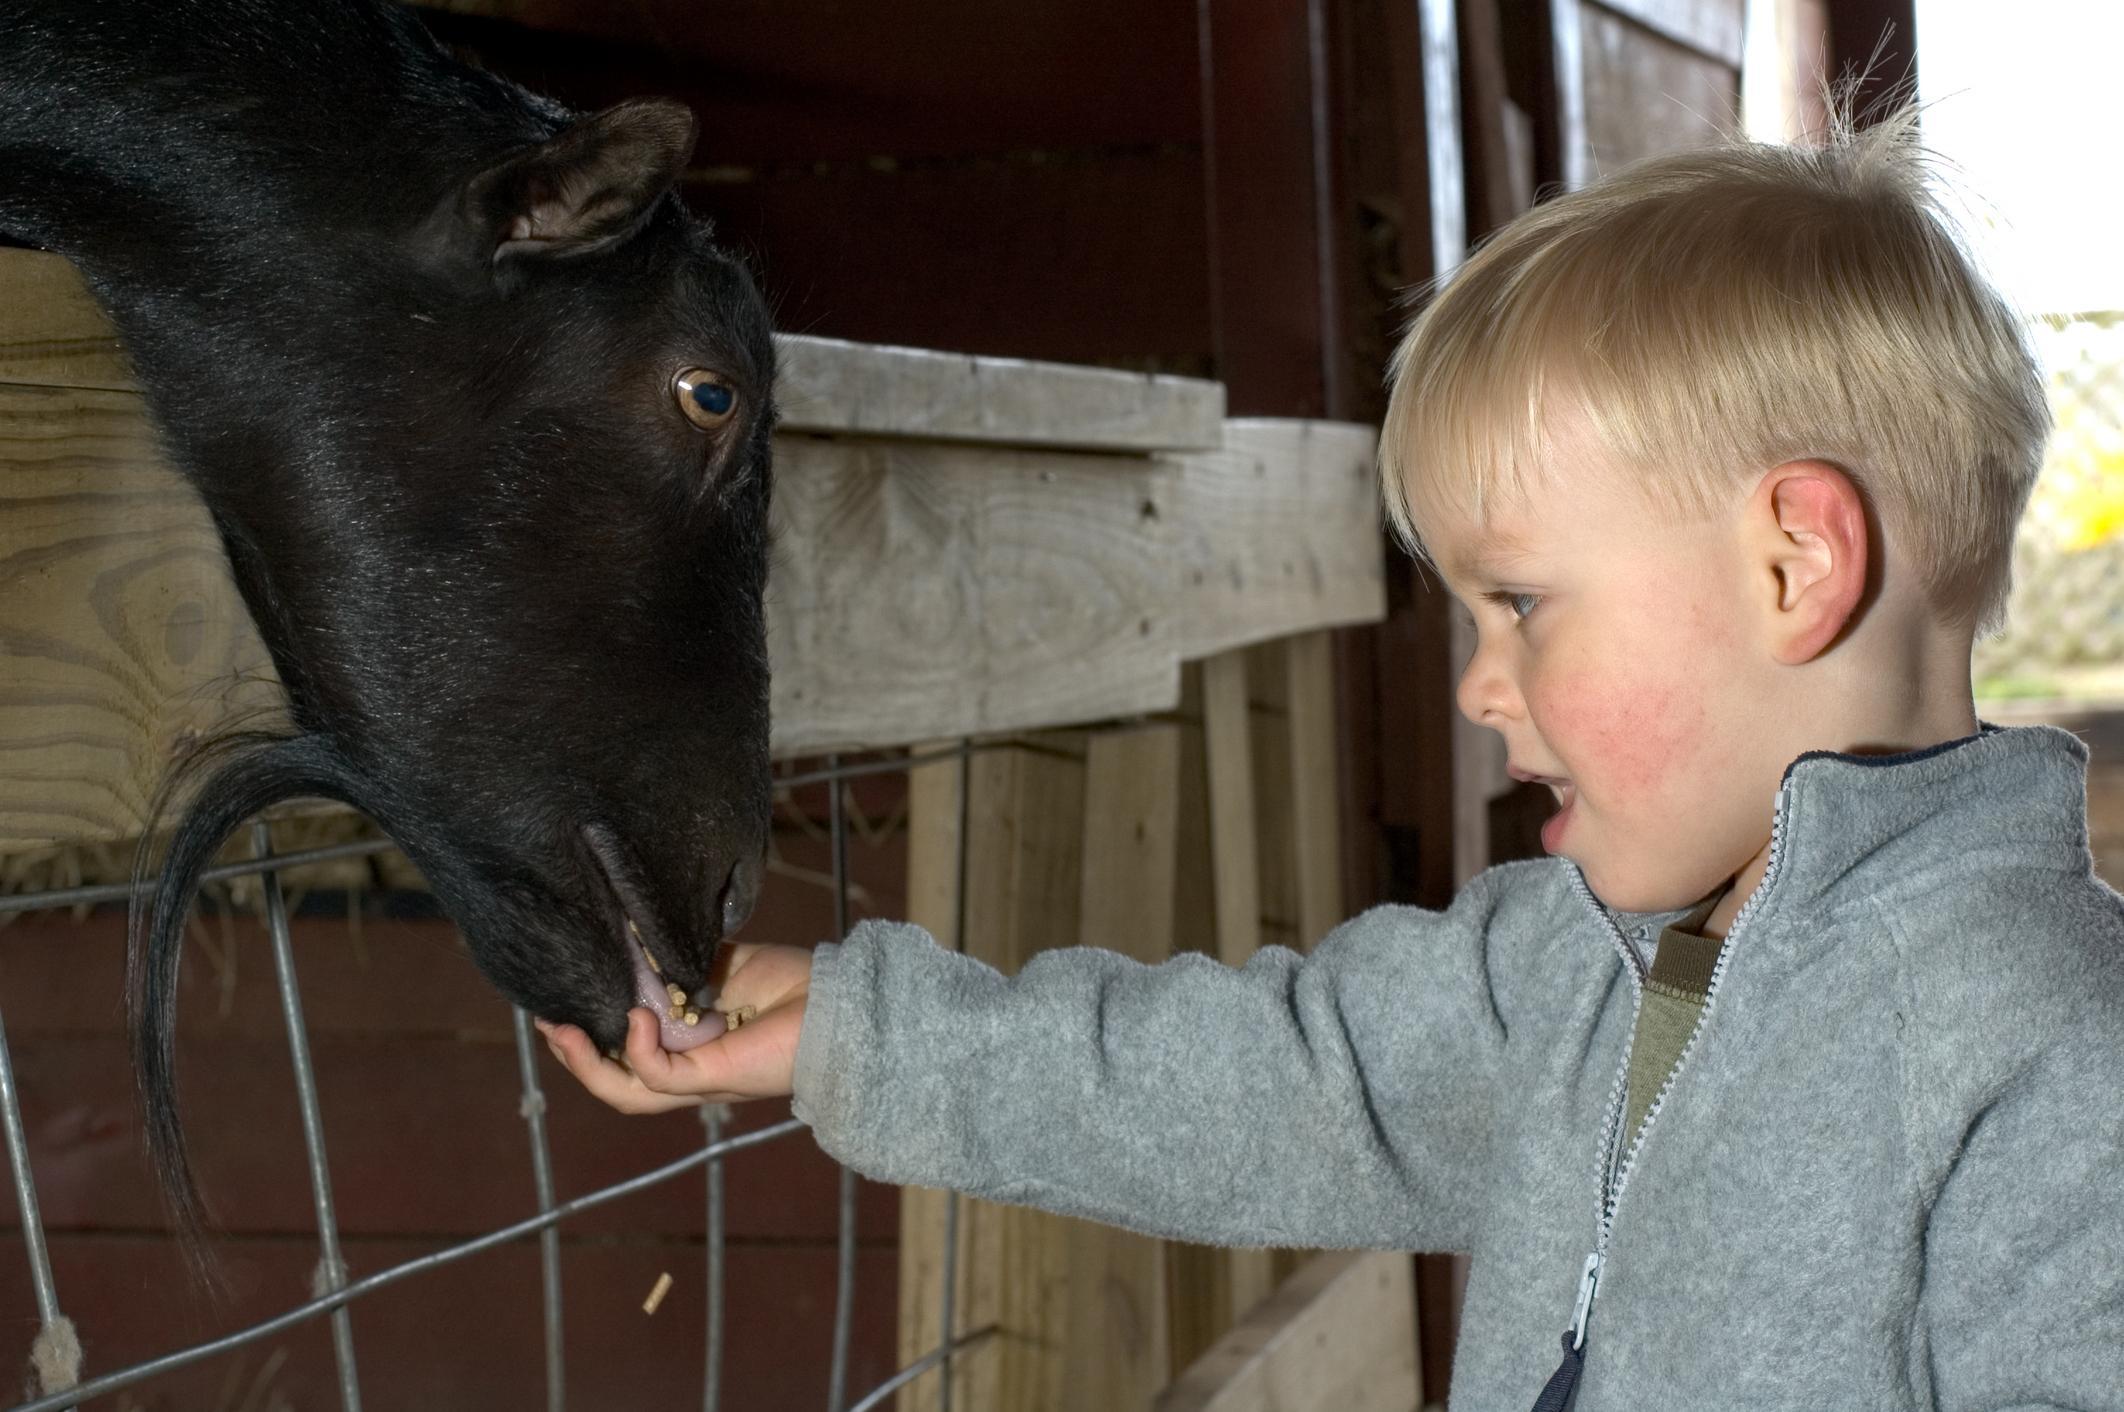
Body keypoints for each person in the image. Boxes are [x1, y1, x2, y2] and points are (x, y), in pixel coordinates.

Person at [537, 109, 2124, 1408]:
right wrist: (862, 1035)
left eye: (1520, 602)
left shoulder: (2046, 1056)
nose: (1481, 688)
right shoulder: (1563, 970)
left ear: (1794, 565)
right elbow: (1271, 1081)